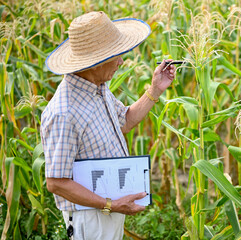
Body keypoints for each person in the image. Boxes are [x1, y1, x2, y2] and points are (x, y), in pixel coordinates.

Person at [40, 11, 175, 239]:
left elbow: (124, 121)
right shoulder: (64, 113)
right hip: (91, 216)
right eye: (116, 55)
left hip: (108, 206)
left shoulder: (97, 87)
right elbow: (56, 182)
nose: (121, 61)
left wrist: (155, 89)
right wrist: (109, 204)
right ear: (95, 62)